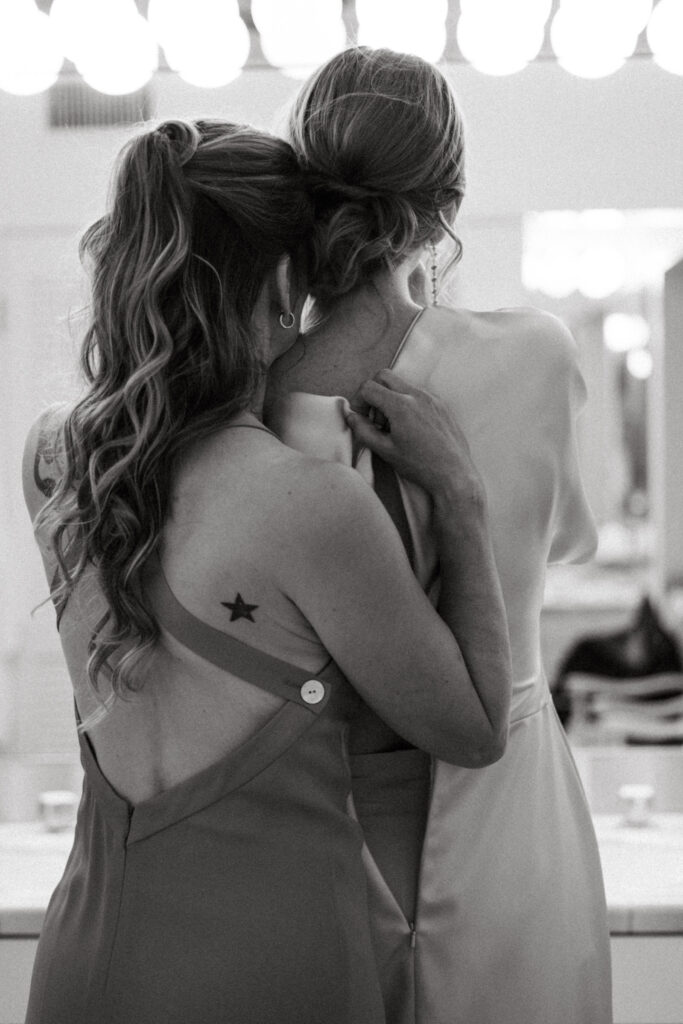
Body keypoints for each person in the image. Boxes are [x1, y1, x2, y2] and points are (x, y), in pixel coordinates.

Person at [22, 118, 512, 1024]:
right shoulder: (309, 506)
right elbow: (475, 728)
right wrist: (460, 497)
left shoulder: (55, 456)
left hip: (86, 953)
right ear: (286, 284)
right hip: (266, 970)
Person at [266, 47, 613, 1024]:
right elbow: (565, 542)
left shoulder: (260, 392)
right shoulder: (534, 357)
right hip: (505, 808)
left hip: (313, 820)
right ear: (445, 199)